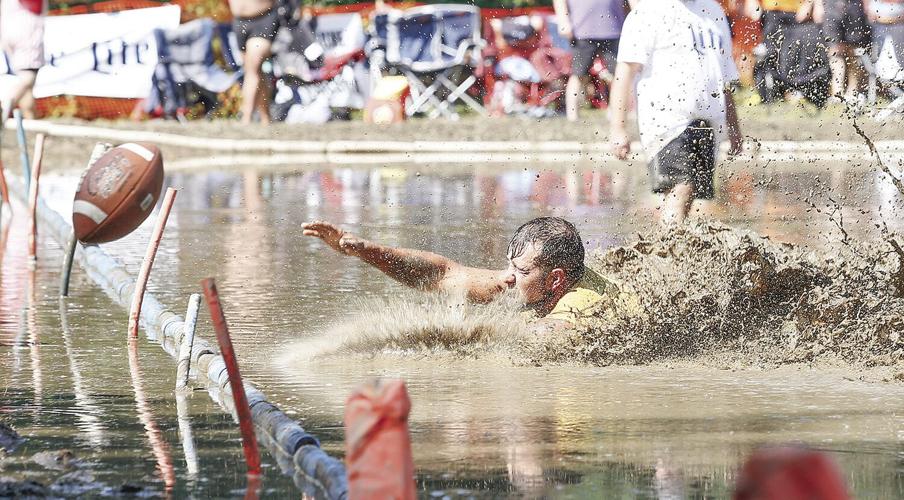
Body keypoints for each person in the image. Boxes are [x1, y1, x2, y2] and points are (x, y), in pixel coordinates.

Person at [302, 217, 612, 329]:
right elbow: (442, 274)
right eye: (509, 265)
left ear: (556, 278)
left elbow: (541, 341)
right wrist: (362, 249)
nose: (506, 277)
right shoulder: (533, 281)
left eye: (519, 270)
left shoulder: (582, 307)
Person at [608, 0, 743, 225]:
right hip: (665, 119)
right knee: (682, 186)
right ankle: (669, 250)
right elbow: (624, 72)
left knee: (690, 195)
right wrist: (618, 128)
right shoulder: (648, 11)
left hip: (707, 118)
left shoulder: (713, 11)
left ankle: (668, 249)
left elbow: (725, 77)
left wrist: (734, 127)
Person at [552, 0, 629, 122]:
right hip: (582, 31)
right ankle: (572, 116)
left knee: (619, 76)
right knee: (578, 75)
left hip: (614, 29)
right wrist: (563, 19)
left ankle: (616, 113)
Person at [230, 0, 279, 124]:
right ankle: (266, 117)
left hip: (263, 19)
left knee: (252, 68)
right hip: (239, 21)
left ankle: (245, 118)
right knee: (254, 71)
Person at [0, 0, 46, 119]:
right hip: (27, 28)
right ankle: (3, 111)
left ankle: (33, 129)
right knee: (28, 78)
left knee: (27, 87)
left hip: (7, 26)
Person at [821, 0, 871, 101]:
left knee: (854, 50)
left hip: (854, 6)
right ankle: (837, 92)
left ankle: (853, 92)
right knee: (834, 50)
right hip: (831, 6)